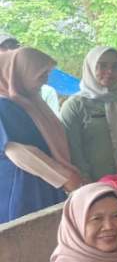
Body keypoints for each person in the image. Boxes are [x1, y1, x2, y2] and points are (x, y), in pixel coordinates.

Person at [0, 48, 81, 222]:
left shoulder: (27, 100)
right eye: (40, 75)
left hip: (46, 180)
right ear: (18, 74)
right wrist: (63, 178)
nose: (45, 81)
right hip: (24, 187)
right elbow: (19, 152)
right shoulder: (4, 107)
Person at [61, 47, 117, 181]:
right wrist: (88, 183)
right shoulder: (75, 105)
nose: (110, 71)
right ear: (90, 67)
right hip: (94, 184)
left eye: (116, 66)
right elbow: (73, 151)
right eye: (102, 66)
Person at [0, 32, 61, 114]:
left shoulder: (42, 91)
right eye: (3, 47)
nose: (10, 51)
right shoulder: (4, 103)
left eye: (13, 46)